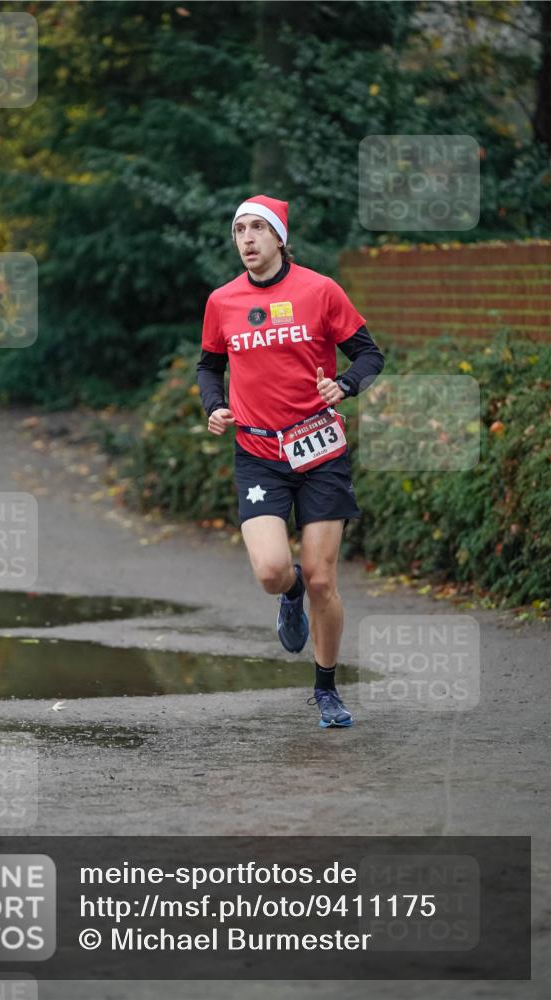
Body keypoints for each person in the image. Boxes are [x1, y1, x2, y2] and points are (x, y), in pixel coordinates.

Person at [197, 195, 384, 729]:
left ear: (280, 238)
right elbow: (208, 366)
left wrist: (344, 385)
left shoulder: (319, 290)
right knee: (272, 572)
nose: (248, 239)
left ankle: (326, 689)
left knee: (325, 580)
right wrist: (215, 406)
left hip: (320, 451)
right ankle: (290, 592)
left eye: (258, 228)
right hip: (258, 453)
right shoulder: (222, 301)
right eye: (239, 230)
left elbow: (371, 355)